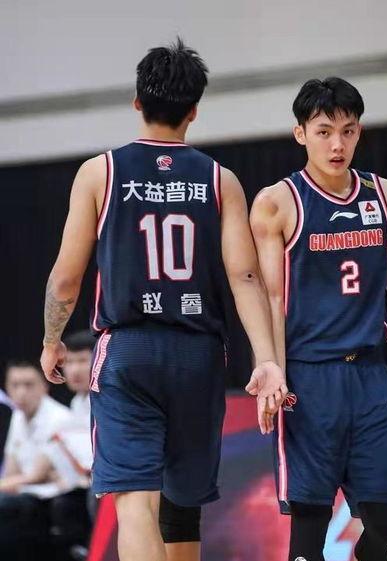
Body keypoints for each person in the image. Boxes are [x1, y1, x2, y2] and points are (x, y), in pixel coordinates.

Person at [40, 38, 286, 561]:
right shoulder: (220, 180)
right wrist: (266, 358)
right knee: (182, 507)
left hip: (129, 351)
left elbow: (65, 278)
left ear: (137, 102)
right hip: (198, 353)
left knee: (135, 505)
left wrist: (51, 340)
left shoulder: (100, 173)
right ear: (194, 110)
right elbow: (245, 275)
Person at [250, 77, 387, 561]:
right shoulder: (277, 202)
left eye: (348, 131)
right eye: (324, 132)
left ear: (359, 133)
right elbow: (272, 297)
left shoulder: (383, 194)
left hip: (369, 373)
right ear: (300, 134)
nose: (337, 144)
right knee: (309, 528)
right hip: (307, 378)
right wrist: (272, 368)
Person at [0, 361, 71, 559]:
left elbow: (36, 476)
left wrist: (8, 484)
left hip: (53, 497)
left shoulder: (58, 418)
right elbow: (12, 472)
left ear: (44, 386)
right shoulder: (17, 416)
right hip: (26, 493)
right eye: (15, 385)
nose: (21, 392)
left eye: (28, 384)